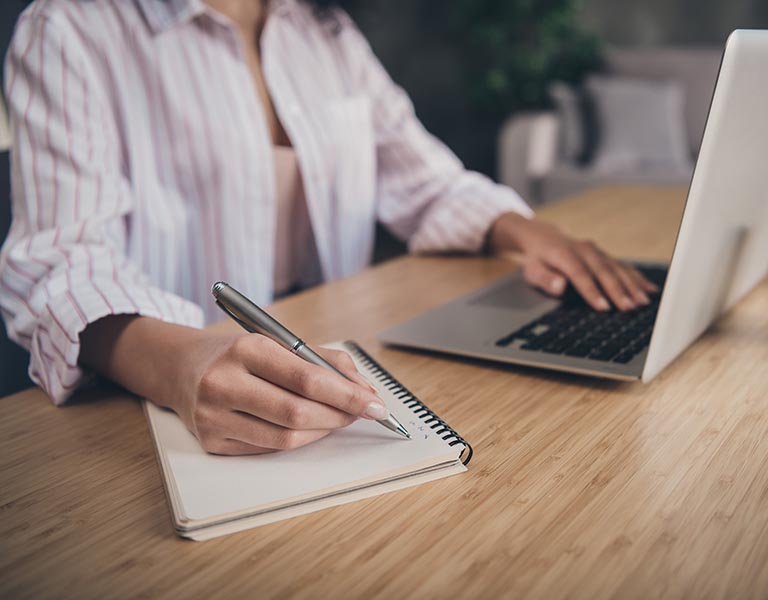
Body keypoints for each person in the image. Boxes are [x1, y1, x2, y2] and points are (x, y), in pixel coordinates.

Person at [0, 0, 657, 454]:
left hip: (337, 368)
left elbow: (423, 178)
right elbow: (61, 266)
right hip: (159, 405)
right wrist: (182, 364)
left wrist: (522, 227)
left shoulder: (326, 30)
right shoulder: (69, 29)